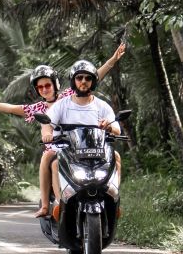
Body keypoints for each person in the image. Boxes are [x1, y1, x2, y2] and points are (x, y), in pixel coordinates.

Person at [0, 43, 125, 217]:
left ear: (55, 84)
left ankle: (112, 200)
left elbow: (92, 77)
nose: (44, 89)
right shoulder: (38, 108)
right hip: (58, 145)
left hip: (84, 142)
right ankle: (46, 205)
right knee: (47, 157)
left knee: (114, 156)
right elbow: (11, 108)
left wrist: (113, 59)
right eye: (40, 87)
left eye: (47, 86)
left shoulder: (69, 96)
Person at [41, 60, 122, 222]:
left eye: (87, 78)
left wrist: (108, 127)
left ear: (93, 82)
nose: (83, 81)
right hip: (67, 150)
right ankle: (53, 204)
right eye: (80, 78)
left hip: (97, 151)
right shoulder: (61, 105)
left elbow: (117, 129)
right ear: (74, 81)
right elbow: (47, 123)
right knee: (51, 160)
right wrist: (47, 134)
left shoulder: (102, 106)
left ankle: (114, 200)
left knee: (117, 157)